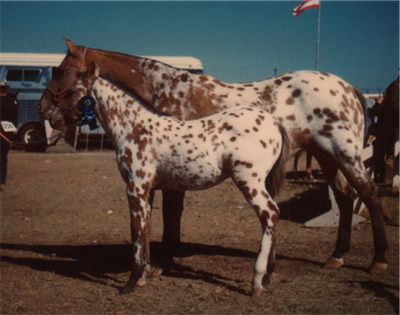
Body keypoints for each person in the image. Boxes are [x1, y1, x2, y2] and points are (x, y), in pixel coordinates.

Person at [369, 76, 399, 184]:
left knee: (382, 155)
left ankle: (382, 177)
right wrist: (378, 104)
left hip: (389, 131)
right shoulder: (395, 87)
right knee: (380, 156)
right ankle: (380, 177)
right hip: (385, 132)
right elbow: (372, 113)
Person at [1, 82, 19, 191]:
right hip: (7, 134)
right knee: (3, 158)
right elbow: (14, 120)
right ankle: (2, 182)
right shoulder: (12, 101)